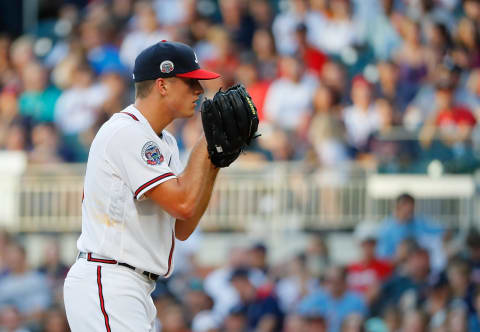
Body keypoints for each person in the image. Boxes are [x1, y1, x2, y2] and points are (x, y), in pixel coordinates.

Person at [63, 41, 222, 331]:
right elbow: (183, 203)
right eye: (190, 82)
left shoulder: (167, 142)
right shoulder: (127, 131)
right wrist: (207, 143)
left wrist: (213, 161)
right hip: (109, 279)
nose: (199, 90)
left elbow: (182, 225)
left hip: (132, 287)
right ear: (162, 85)